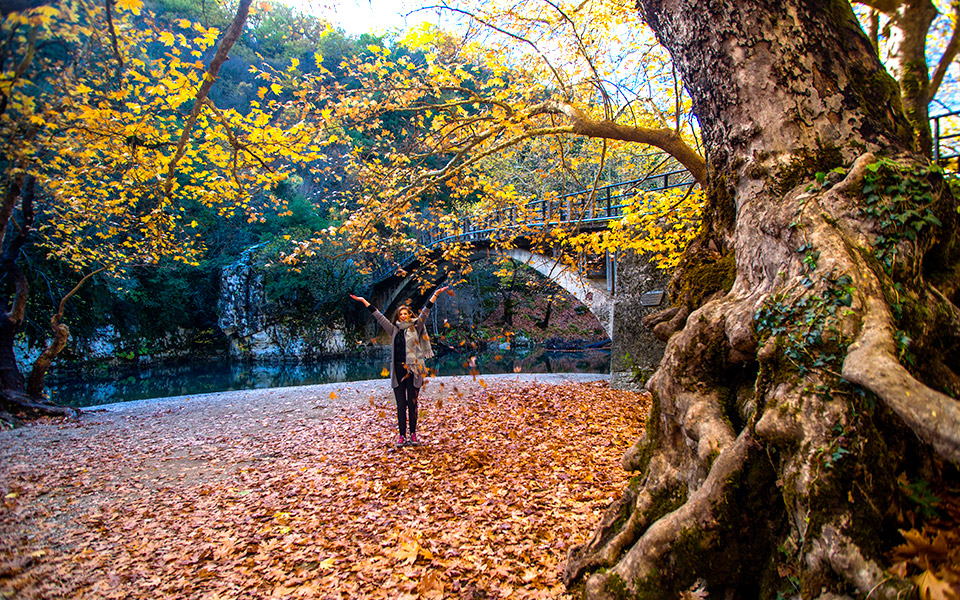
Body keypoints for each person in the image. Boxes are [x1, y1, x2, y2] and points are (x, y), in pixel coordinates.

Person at [350, 285, 450, 446]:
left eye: (406, 314)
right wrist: (363, 301)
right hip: (398, 370)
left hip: (413, 370)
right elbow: (379, 316)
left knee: (413, 404)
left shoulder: (416, 327)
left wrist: (435, 295)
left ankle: (413, 434)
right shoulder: (393, 330)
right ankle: (402, 436)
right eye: (401, 314)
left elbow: (425, 312)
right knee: (401, 405)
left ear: (409, 315)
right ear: (398, 316)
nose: (403, 316)